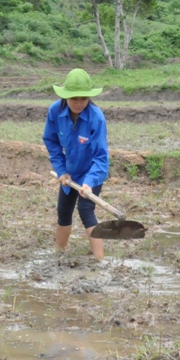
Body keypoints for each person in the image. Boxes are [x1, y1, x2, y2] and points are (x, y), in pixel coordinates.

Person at [43, 69, 110, 261]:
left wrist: (89, 182)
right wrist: (62, 171)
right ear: (65, 96)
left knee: (86, 209)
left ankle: (100, 261)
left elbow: (100, 156)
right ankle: (59, 254)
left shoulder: (96, 117)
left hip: (92, 172)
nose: (79, 103)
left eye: (84, 98)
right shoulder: (55, 111)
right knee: (63, 211)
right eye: (74, 98)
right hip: (69, 172)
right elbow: (51, 141)